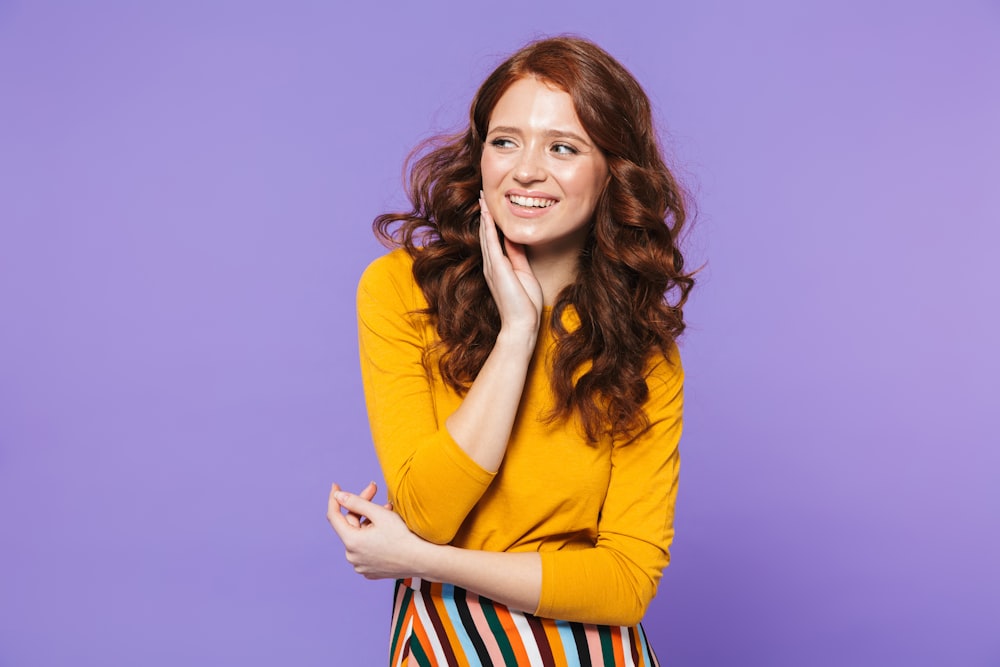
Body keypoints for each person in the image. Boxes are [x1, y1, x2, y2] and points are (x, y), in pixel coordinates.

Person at [327, 36, 694, 666]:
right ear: (481, 157)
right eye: (506, 141)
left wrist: (417, 560)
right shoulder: (399, 289)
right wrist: (517, 334)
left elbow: (629, 584)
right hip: (442, 646)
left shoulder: (642, 350)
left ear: (613, 171)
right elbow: (428, 510)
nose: (526, 169)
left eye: (563, 147)